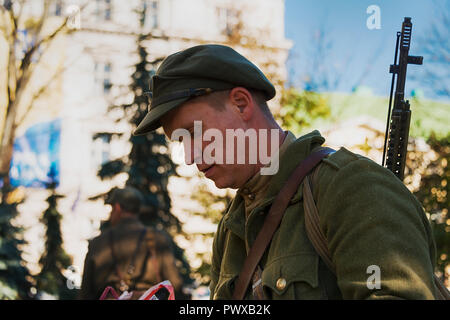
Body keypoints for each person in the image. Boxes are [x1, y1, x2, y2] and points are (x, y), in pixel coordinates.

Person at [133, 44, 438, 299]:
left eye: (194, 132)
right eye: (181, 141)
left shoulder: (350, 187)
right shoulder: (232, 229)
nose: (190, 156)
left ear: (241, 104)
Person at [79, 187, 182, 299]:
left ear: (117, 208)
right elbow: (175, 284)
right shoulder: (158, 238)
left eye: (112, 209)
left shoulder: (98, 243)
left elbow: (86, 292)